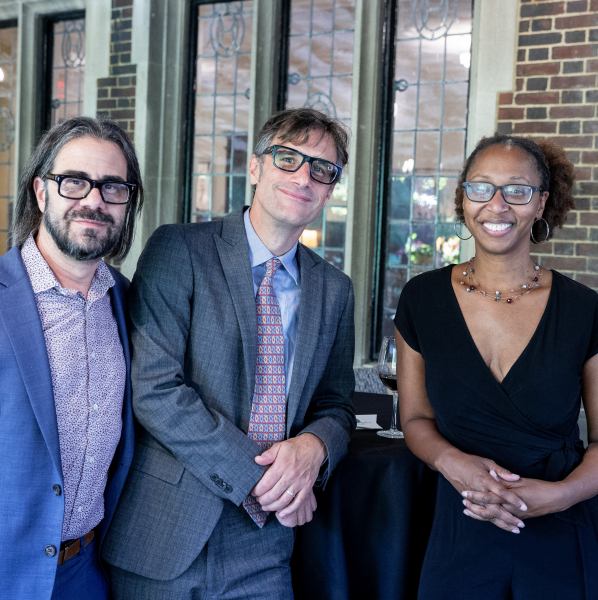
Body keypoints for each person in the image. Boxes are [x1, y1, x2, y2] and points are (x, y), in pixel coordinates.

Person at [102, 107, 356, 599]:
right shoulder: (180, 249)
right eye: (288, 158)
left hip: (266, 546)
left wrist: (316, 447)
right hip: (165, 536)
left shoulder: (334, 289)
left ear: (329, 190)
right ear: (256, 167)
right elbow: (153, 388)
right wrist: (258, 477)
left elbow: (336, 404)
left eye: (321, 169)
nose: (303, 176)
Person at [394, 133, 598, 599]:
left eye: (517, 190)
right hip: (459, 530)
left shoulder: (585, 309)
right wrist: (453, 464)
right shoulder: (421, 300)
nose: (497, 204)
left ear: (541, 202)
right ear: (463, 198)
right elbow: (415, 419)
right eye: (481, 187)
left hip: (560, 535)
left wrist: (560, 495)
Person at [0, 116, 144, 600]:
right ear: (41, 192)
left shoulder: (128, 303)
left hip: (85, 572)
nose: (94, 201)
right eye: (75, 182)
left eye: (112, 187)